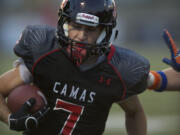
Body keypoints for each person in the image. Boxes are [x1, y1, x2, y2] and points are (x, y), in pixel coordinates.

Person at [0, 0, 150, 135]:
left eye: (91, 29)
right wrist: (9, 119)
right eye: (76, 26)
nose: (81, 35)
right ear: (64, 23)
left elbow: (134, 112)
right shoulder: (44, 53)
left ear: (104, 32)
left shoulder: (118, 70)